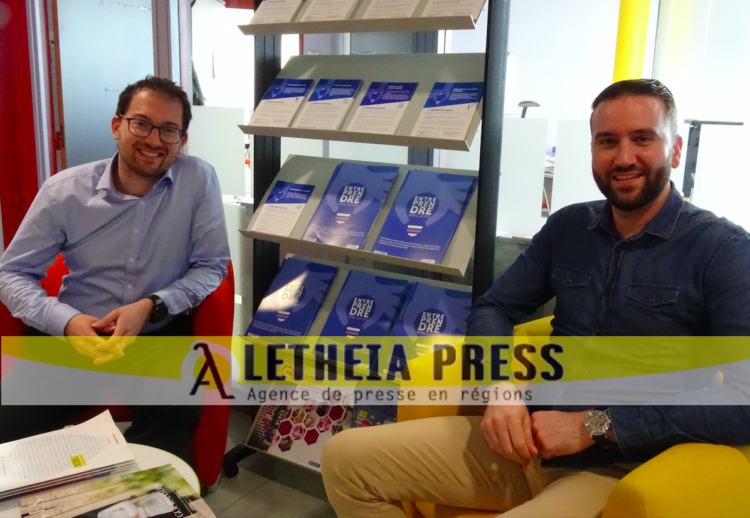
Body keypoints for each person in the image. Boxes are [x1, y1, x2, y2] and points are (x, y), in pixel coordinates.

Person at [320, 79, 750, 517]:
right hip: (524, 443)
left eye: (643, 139)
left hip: (616, 470)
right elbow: (495, 306)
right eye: (607, 142)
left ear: (675, 150)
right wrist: (500, 388)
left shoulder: (724, 251)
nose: (623, 158)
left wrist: (592, 426)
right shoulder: (569, 228)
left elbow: (743, 398)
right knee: (345, 461)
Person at [0, 76, 230, 467]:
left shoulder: (198, 180)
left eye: (169, 130)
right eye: (141, 123)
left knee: (173, 423)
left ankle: (142, 503)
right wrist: (67, 321)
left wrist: (153, 305)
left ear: (182, 139)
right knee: (9, 426)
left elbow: (212, 265)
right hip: (74, 337)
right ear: (117, 125)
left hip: (157, 334)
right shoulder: (64, 191)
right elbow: (12, 273)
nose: (154, 140)